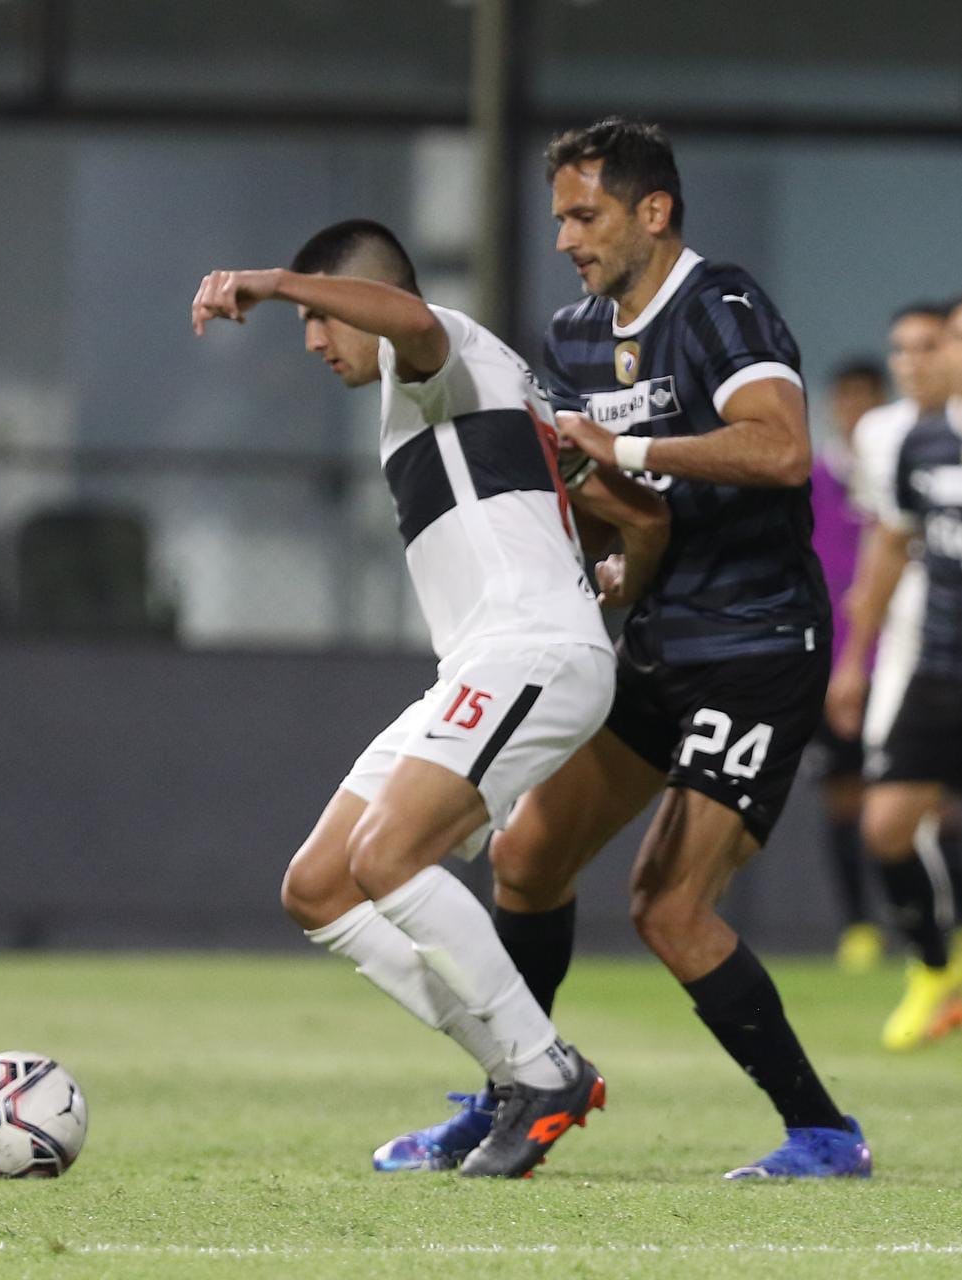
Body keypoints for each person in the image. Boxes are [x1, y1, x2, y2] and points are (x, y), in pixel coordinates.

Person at [378, 118, 871, 1181]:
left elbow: (781, 448)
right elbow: (611, 499)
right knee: (525, 854)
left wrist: (623, 444)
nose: (564, 236)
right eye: (558, 214)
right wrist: (597, 550)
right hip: (654, 637)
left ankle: (824, 1132)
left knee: (667, 906)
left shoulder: (718, 305)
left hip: (752, 643)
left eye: (584, 212)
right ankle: (514, 1089)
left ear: (653, 211)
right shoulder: (571, 334)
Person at [191, 219, 670, 1178]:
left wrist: (276, 280)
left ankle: (541, 1073)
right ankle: (518, 1068)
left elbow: (406, 318)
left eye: (323, 322)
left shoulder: (436, 343)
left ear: (356, 296)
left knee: (389, 854)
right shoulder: (467, 396)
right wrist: (620, 569)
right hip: (484, 664)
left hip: (528, 654)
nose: (318, 344)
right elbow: (641, 511)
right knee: (321, 886)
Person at [826, 298, 962, 1051]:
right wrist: (854, 658)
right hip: (937, 665)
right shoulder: (922, 442)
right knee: (884, 825)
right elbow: (892, 543)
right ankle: (933, 968)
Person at [807, 359, 889, 972]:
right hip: (837, 668)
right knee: (844, 797)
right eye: (845, 398)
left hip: (908, 668)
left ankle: (942, 930)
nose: (854, 409)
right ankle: (859, 928)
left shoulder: (903, 476)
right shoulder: (809, 479)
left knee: (933, 804)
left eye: (865, 397)